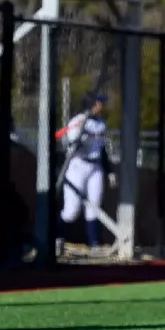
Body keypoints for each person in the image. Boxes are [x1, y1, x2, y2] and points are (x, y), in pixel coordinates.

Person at [56, 92, 113, 253]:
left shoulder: (101, 123)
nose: (101, 106)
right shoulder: (78, 121)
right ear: (90, 105)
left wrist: (109, 171)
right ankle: (54, 238)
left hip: (95, 168)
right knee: (71, 211)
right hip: (77, 166)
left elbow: (102, 150)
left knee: (94, 207)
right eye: (98, 103)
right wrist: (77, 139)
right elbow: (67, 142)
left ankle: (93, 243)